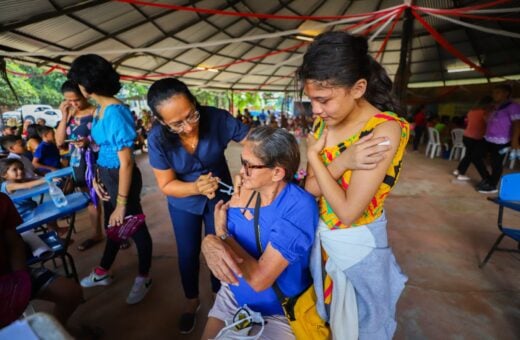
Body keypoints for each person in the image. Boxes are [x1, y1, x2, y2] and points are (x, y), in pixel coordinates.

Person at [300, 31, 408, 339]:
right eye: (312, 101)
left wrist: (318, 161)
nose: (316, 111)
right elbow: (310, 188)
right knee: (332, 319)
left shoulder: (384, 130)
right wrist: (341, 162)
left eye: (324, 100)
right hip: (323, 240)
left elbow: (348, 211)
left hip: (356, 245)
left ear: (358, 88)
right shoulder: (325, 122)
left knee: (360, 326)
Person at [146, 77, 249, 334]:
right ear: (161, 122)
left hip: (220, 196)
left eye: (191, 115)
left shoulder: (216, 119)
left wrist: (249, 170)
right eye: (176, 124)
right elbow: (166, 184)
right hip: (183, 201)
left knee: (222, 245)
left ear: (194, 102)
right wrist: (195, 187)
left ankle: (220, 297)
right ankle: (192, 300)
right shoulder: (158, 139)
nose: (189, 126)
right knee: (188, 252)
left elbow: (255, 142)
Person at [200, 127, 318, 340]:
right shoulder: (246, 187)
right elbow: (221, 242)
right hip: (232, 296)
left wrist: (221, 233)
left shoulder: (299, 207)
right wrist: (209, 242)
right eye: (242, 161)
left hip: (278, 312)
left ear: (277, 172)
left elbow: (259, 279)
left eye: (249, 166)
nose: (241, 171)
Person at [67, 54, 153, 304]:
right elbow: (102, 144)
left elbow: (127, 161)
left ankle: (144, 276)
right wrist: (95, 178)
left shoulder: (115, 111)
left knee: (135, 228)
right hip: (106, 173)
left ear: (87, 84)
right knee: (113, 227)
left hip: (121, 176)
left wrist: (123, 202)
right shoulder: (100, 109)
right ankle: (104, 270)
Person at [0, 193, 83, 329]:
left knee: (71, 292)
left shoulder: (2, 201)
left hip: (10, 273)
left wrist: (19, 281)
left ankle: (57, 330)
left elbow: (14, 243)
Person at [55, 80, 103, 252]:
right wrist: (64, 116)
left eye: (76, 99)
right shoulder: (69, 115)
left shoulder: (97, 111)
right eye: (69, 101)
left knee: (107, 197)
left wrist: (88, 141)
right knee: (91, 199)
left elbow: (105, 138)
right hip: (78, 163)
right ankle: (97, 234)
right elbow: (60, 142)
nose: (74, 104)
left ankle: (119, 233)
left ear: (84, 94)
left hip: (97, 160)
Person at [477, 84, 520, 193]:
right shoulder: (496, 106)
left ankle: (492, 186)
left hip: (501, 140)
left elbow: (517, 124)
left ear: (506, 94)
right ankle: (488, 179)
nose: (494, 95)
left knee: (495, 163)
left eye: (498, 92)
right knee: (475, 155)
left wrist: (515, 140)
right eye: (493, 92)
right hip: (488, 137)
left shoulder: (513, 106)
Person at [453, 96, 493, 182]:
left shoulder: (471, 112)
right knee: (475, 157)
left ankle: (459, 171)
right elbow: (489, 125)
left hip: (467, 136)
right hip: (476, 137)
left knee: (469, 156)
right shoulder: (485, 113)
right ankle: (486, 178)